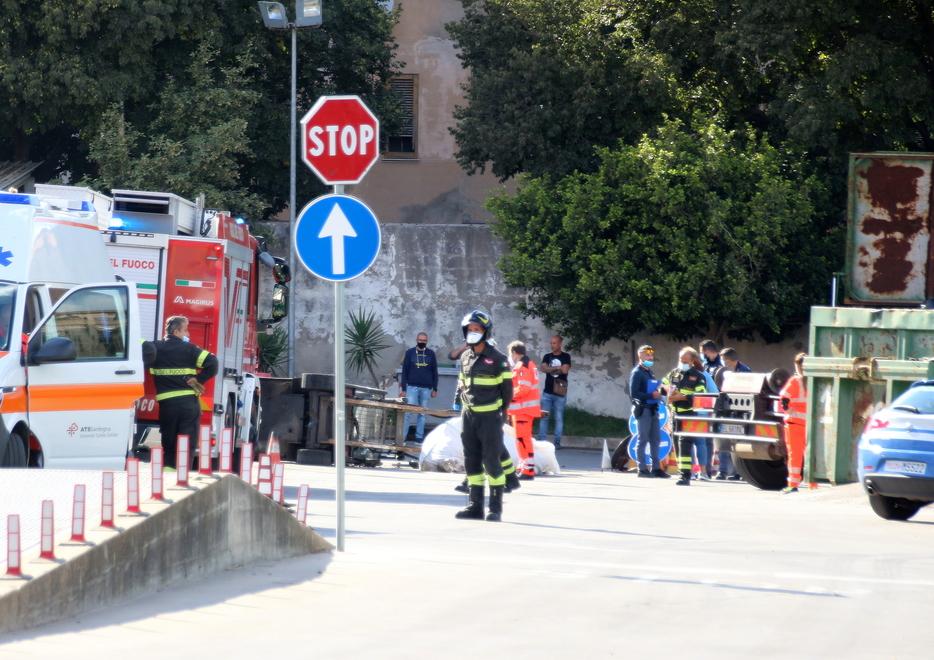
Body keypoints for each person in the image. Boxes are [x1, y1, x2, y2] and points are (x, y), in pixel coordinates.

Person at [455, 310, 513, 522]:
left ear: (485, 332)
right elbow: (462, 382)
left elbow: (507, 391)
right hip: (468, 416)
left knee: (491, 462)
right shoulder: (465, 357)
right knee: (471, 461)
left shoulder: (498, 359)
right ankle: (474, 506)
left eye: (476, 329)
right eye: (469, 329)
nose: (472, 333)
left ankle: (495, 508)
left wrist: (502, 413)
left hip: (490, 418)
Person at [144, 316, 218, 469]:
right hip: (188, 406)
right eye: (185, 330)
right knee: (187, 445)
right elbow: (213, 363)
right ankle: (183, 478)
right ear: (177, 331)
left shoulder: (155, 348)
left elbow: (138, 347)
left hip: (167, 406)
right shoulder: (190, 349)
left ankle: (168, 477)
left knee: (169, 446)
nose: (188, 334)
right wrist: (198, 380)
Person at [663, 347, 708, 486]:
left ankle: (686, 476)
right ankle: (682, 472)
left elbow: (700, 396)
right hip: (674, 414)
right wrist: (667, 393)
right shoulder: (674, 373)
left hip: (688, 414)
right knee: (676, 444)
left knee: (685, 444)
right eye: (680, 360)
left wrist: (681, 397)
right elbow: (662, 387)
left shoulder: (698, 376)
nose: (681, 362)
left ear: (692, 361)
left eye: (685, 360)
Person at [629, 345, 669, 478]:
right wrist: (651, 396)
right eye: (647, 355)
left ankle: (656, 468)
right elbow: (634, 393)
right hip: (644, 409)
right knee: (643, 439)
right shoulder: (637, 372)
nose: (650, 358)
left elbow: (651, 388)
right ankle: (642, 469)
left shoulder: (649, 372)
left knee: (655, 439)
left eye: (651, 356)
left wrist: (660, 390)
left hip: (653, 409)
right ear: (640, 355)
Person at [507, 340, 541, 480]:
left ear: (515, 353)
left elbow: (523, 388)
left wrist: (508, 396)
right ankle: (524, 466)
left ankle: (527, 470)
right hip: (525, 409)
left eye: (511, 354)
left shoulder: (522, 366)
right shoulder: (529, 365)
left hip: (523, 410)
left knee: (522, 439)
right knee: (522, 439)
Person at [716, 347, 750, 480]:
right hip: (725, 411)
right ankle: (722, 471)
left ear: (731, 360)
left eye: (725, 360)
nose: (723, 363)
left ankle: (739, 473)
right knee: (723, 442)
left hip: (739, 412)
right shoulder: (722, 372)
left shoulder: (745, 372)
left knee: (739, 443)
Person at [400, 331, 439, 443]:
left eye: (424, 340)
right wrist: (403, 389)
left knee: (422, 414)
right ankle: (402, 438)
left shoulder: (431, 354)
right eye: (420, 340)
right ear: (417, 340)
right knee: (408, 413)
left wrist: (435, 388)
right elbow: (404, 371)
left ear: (427, 341)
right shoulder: (409, 353)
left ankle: (419, 438)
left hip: (426, 388)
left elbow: (434, 372)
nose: (422, 342)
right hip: (412, 387)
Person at [779, 353, 808, 493]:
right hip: (810, 425)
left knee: (794, 455)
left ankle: (793, 484)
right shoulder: (815, 381)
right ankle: (812, 483)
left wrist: (788, 410)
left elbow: (784, 399)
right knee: (811, 455)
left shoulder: (795, 381)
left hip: (794, 423)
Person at [538, 335, 571, 449]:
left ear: (560, 343)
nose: (552, 345)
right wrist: (558, 368)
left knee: (559, 418)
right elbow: (543, 369)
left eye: (555, 343)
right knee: (544, 417)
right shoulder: (547, 356)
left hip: (560, 393)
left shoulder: (566, 356)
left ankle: (557, 443)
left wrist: (550, 368)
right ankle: (541, 442)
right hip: (547, 392)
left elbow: (565, 369)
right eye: (551, 343)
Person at [691, 353, 718, 481]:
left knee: (687, 443)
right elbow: (714, 393)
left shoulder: (680, 374)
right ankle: (702, 473)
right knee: (700, 443)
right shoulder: (705, 375)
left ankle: (690, 472)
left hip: (686, 413)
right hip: (700, 414)